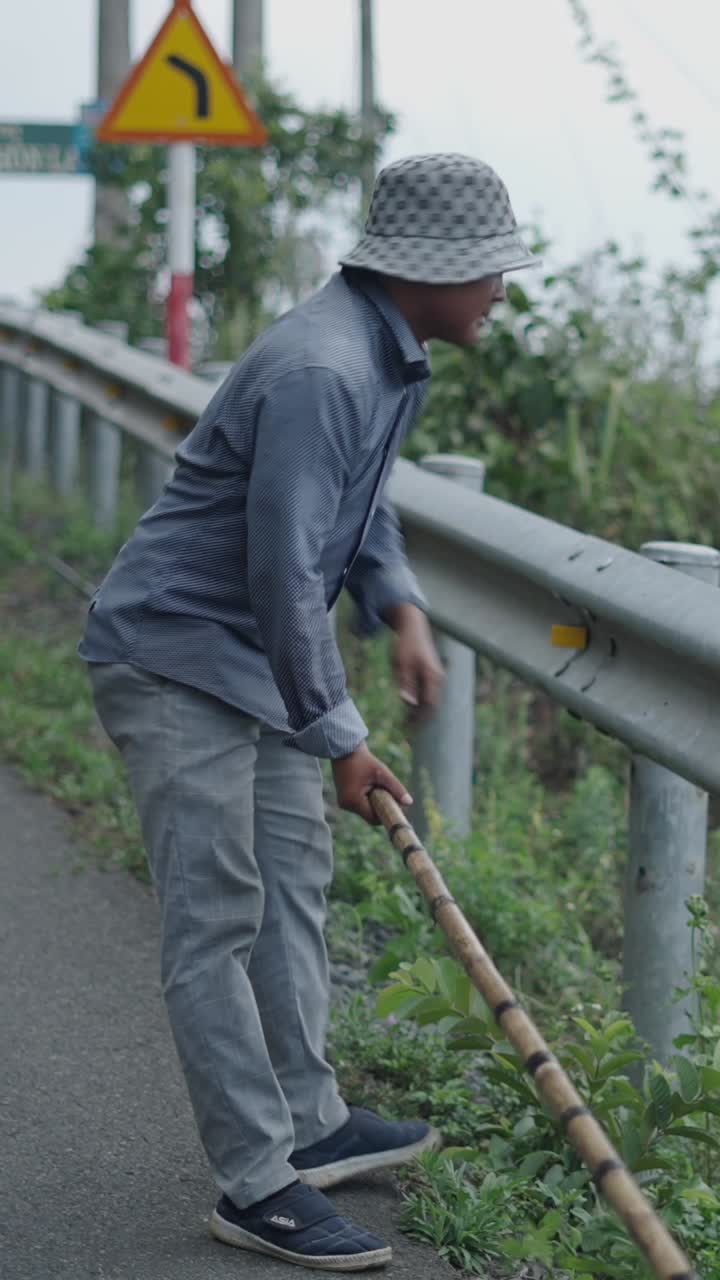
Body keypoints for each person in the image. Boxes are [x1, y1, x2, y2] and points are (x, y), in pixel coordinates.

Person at [79, 152, 538, 1272]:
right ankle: (253, 1178)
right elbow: (282, 574)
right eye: (490, 271)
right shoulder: (325, 368)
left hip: (258, 661)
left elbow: (357, 503)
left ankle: (312, 1116)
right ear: (428, 271)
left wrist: (400, 602)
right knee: (217, 917)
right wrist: (343, 734)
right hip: (179, 656)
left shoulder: (382, 350)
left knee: (296, 886)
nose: (502, 291)